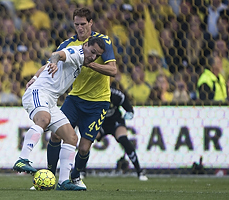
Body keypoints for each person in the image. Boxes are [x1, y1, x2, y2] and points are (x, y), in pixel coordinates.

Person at [12, 36, 105, 191]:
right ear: (85, 45)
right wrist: (54, 62)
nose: (93, 57)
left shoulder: (81, 61)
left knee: (71, 137)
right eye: (92, 51)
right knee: (44, 119)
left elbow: (48, 63)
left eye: (97, 56)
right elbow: (56, 55)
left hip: (51, 101)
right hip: (38, 93)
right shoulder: (76, 53)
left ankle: (63, 181)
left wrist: (35, 76)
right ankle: (22, 159)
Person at [47, 7, 117, 190]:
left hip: (98, 103)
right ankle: (49, 176)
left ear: (91, 23)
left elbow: (113, 70)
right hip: (75, 99)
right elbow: (51, 61)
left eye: (83, 24)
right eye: (76, 24)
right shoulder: (68, 45)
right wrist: (36, 77)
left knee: (84, 147)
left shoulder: (102, 42)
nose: (79, 28)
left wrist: (90, 63)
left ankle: (76, 176)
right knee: (55, 134)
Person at [95, 81, 148, 181]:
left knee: (124, 139)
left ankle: (139, 171)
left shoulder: (117, 95)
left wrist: (130, 114)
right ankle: (81, 171)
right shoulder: (93, 95)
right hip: (100, 123)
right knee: (88, 139)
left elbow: (129, 109)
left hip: (116, 122)